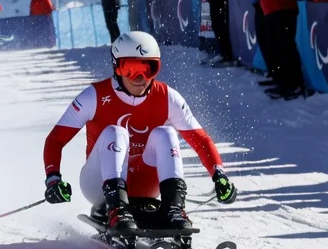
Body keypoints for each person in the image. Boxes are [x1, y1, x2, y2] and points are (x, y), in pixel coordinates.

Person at [41, 32, 237, 235]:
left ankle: (174, 210)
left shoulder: (167, 97)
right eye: (131, 69)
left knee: (166, 134)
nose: (140, 78)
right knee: (116, 133)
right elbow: (55, 139)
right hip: (98, 186)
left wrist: (219, 175)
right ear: (117, 67)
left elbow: (200, 139)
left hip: (145, 186)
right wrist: (53, 179)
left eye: (148, 68)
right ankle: (117, 208)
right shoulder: (94, 96)